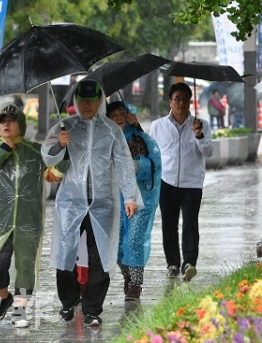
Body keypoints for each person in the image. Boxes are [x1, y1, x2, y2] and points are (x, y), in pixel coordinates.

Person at [41, 80, 140, 327]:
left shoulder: (111, 130)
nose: (87, 105)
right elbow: (47, 155)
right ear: (76, 101)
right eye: (82, 100)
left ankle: (93, 308)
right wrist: (59, 143)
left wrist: (130, 196)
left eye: (92, 100)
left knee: (100, 257)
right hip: (70, 203)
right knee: (66, 253)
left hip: (102, 203)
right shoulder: (65, 127)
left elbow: (124, 163)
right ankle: (68, 303)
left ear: (100, 100)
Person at [0, 104, 47, 328]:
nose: (6, 124)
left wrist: (62, 148)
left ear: (20, 124)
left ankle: (20, 310)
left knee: (25, 265)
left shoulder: (35, 151)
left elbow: (55, 174)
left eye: (11, 120)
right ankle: (5, 298)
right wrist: (4, 148)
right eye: (2, 120)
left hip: (28, 219)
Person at [150, 82, 213, 282]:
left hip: (192, 183)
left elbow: (209, 152)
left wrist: (199, 135)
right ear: (170, 101)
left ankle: (189, 262)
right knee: (169, 224)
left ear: (190, 101)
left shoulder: (201, 124)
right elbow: (153, 153)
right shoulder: (158, 126)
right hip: (166, 182)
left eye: (185, 99)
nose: (181, 103)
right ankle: (173, 263)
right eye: (177, 98)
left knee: (190, 224)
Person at [106, 101, 162, 301]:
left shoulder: (142, 139)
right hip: (115, 200)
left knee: (134, 240)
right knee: (118, 244)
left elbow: (153, 166)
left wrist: (135, 166)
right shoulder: (106, 141)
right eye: (114, 115)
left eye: (122, 113)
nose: (119, 118)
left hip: (140, 200)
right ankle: (128, 276)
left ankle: (136, 284)